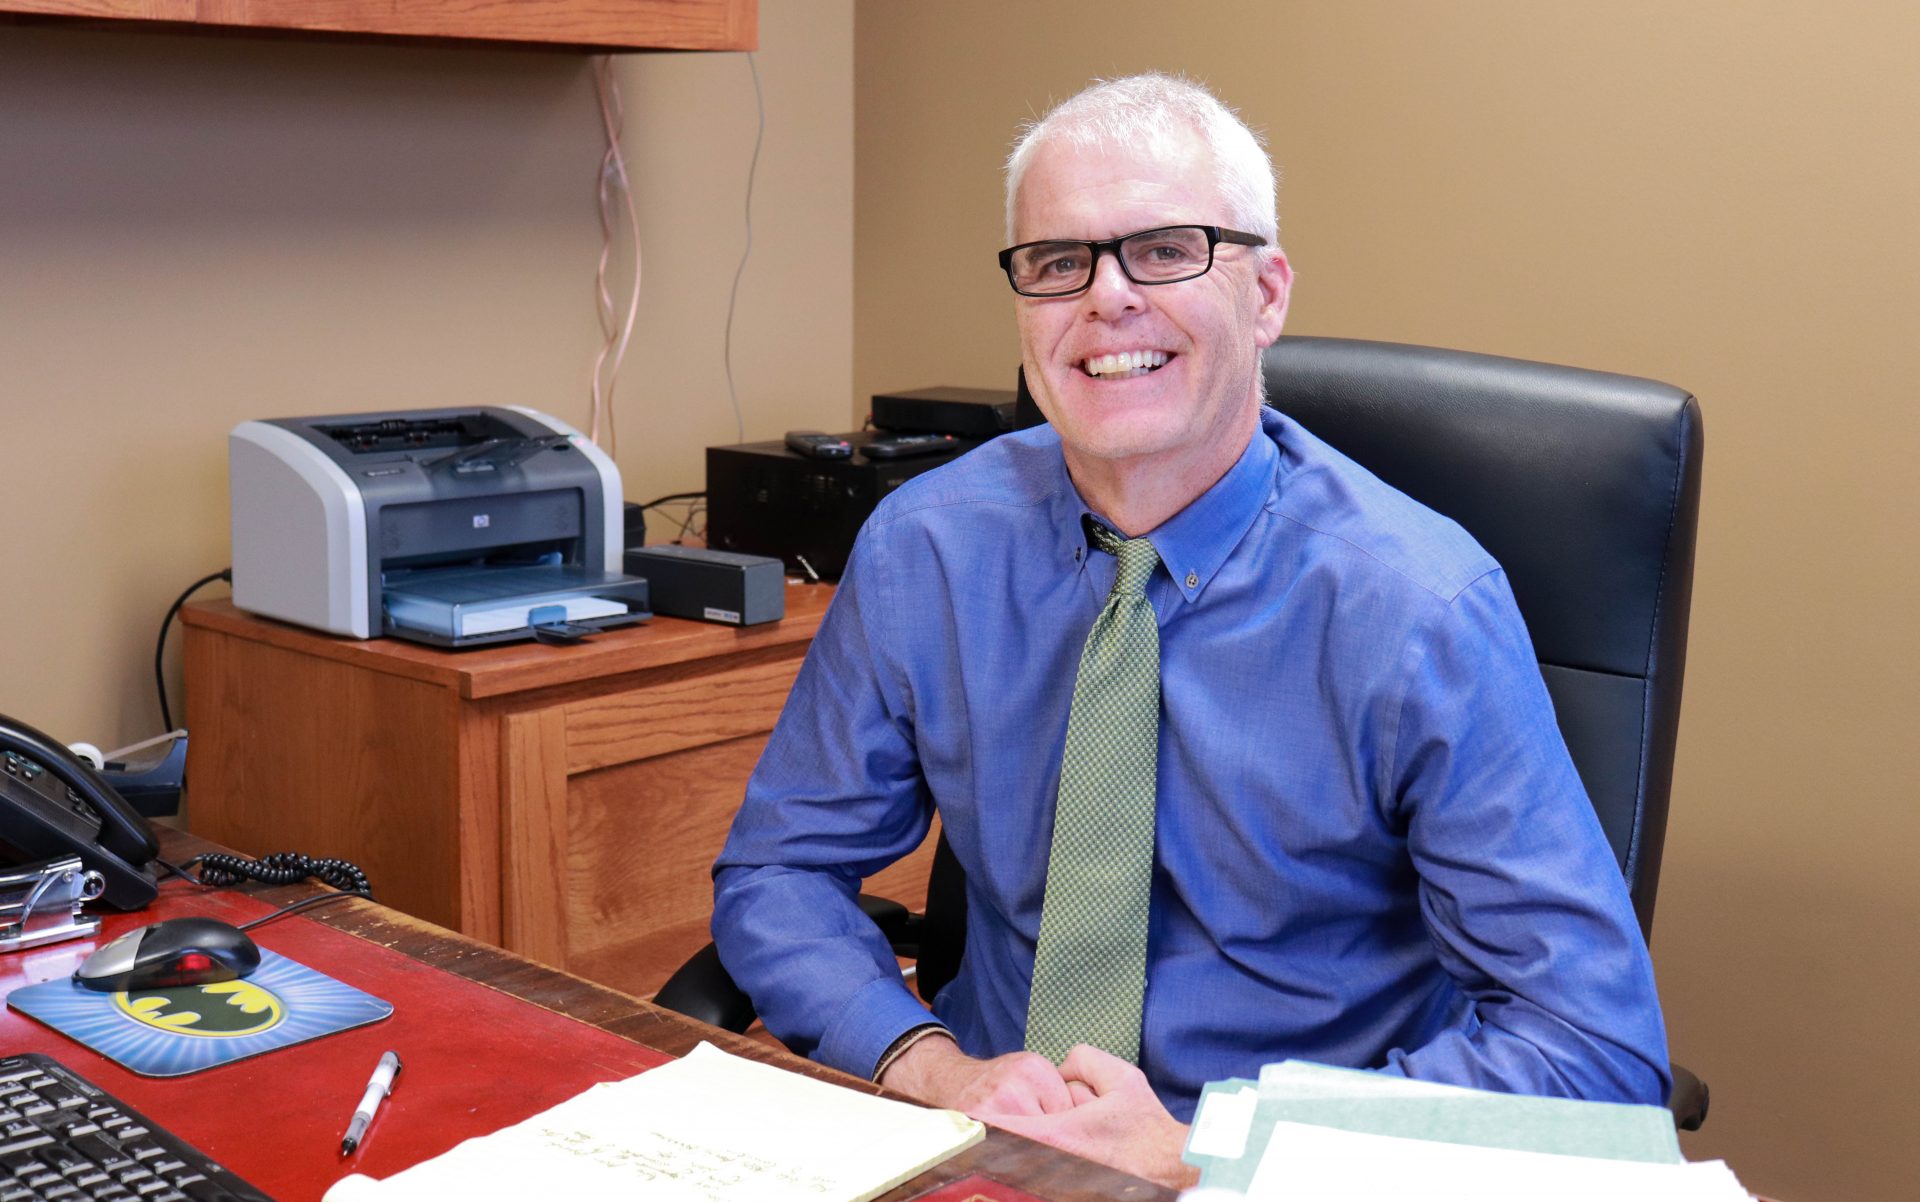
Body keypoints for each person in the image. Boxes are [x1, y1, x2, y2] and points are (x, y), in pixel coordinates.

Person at [711, 73, 1669, 1188]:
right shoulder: (927, 546)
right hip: (988, 1146)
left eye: (1165, 248)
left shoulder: (1418, 609)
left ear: (1266, 294)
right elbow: (779, 869)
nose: (1106, 298)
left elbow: (1595, 1050)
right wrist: (928, 1061)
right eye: (1059, 261)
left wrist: (1205, 1151)